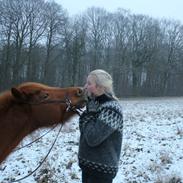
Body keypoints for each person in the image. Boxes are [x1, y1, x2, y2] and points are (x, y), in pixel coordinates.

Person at [78, 69, 123, 183]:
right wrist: (89, 113)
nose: (85, 87)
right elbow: (84, 130)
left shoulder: (112, 109)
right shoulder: (94, 105)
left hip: (101, 171)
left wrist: (89, 114)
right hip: (87, 166)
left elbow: (93, 138)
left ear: (100, 86)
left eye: (89, 83)